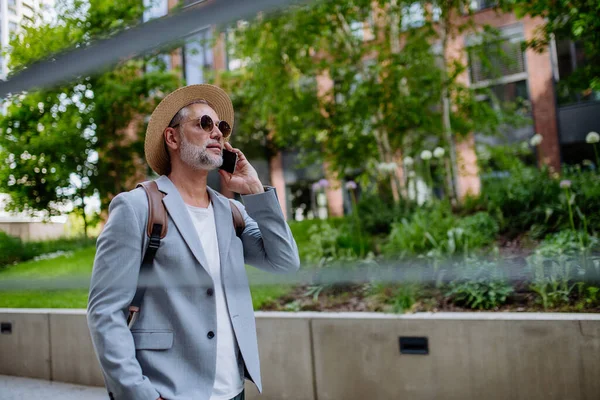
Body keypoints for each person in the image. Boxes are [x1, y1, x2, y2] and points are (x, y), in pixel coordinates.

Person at [87, 84, 300, 400]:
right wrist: (139, 393)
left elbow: (285, 262)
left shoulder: (232, 212)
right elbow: (105, 312)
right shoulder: (137, 207)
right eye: (204, 123)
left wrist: (254, 190)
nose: (217, 133)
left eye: (221, 127)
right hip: (169, 391)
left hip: (234, 390)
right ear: (172, 138)